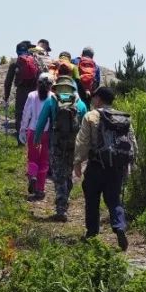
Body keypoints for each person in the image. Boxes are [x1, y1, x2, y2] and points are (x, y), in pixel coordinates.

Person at [73, 86, 133, 250]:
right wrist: (129, 165)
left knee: (92, 199)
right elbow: (131, 143)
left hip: (96, 165)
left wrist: (77, 162)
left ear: (99, 99)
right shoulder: (124, 118)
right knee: (114, 200)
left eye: (94, 97)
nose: (92, 100)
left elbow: (82, 141)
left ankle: (92, 234)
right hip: (116, 167)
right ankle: (119, 227)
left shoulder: (91, 116)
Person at [34, 75, 88, 221]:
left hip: (56, 143)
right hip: (73, 144)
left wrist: (37, 139)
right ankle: (65, 201)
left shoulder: (51, 101)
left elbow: (41, 121)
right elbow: (85, 127)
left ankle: (61, 207)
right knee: (68, 173)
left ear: (57, 88)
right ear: (72, 88)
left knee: (58, 175)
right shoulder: (80, 104)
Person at [19, 73, 53, 201]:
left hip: (33, 131)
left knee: (32, 157)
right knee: (44, 160)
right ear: (51, 85)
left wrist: (23, 129)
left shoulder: (32, 95)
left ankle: (32, 175)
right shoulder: (53, 97)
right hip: (47, 133)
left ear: (37, 83)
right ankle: (40, 189)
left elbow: (26, 114)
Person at [3, 40, 39, 142]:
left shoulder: (15, 62)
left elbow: (8, 82)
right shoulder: (35, 60)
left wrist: (6, 97)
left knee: (20, 115)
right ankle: (33, 140)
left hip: (21, 92)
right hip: (34, 91)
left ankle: (21, 140)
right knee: (33, 114)